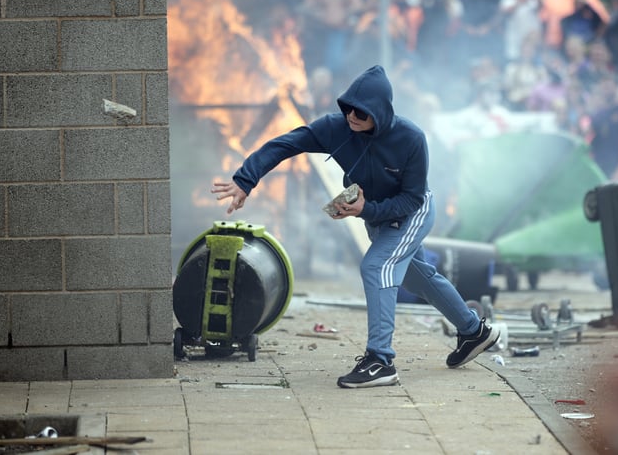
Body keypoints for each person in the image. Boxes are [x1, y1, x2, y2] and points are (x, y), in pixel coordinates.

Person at [212, 65, 500, 388]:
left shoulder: (412, 139)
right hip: (376, 214)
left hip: (412, 212)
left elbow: (413, 199)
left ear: (379, 112)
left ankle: (381, 360)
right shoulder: (336, 128)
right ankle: (474, 332)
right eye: (347, 107)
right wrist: (245, 180)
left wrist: (367, 210)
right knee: (418, 278)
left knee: (377, 267)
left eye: (360, 112)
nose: (351, 116)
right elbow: (286, 144)